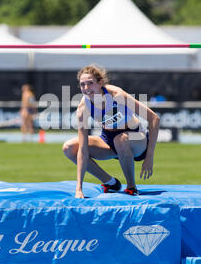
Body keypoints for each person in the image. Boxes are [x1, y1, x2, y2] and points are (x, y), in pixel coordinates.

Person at [62, 64, 160, 198]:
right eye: (82, 85)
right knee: (69, 147)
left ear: (100, 83)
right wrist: (79, 188)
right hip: (108, 140)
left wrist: (149, 157)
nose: (86, 88)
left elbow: (154, 118)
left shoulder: (117, 95)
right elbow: (83, 149)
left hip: (136, 139)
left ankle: (131, 187)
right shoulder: (83, 108)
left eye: (90, 83)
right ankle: (110, 182)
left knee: (121, 139)